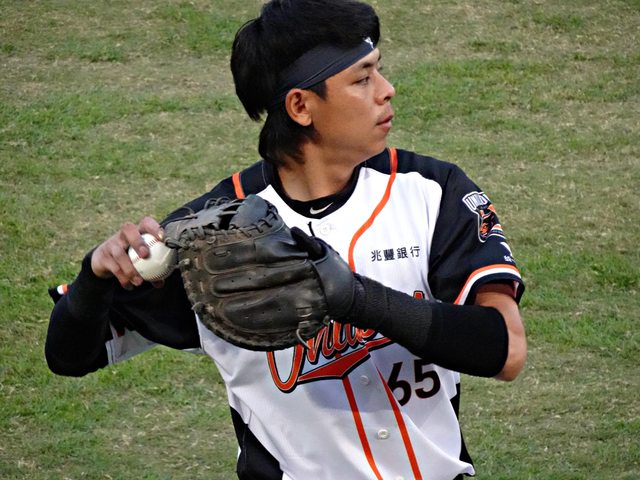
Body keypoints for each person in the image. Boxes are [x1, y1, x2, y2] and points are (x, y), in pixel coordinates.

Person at [45, 0, 527, 478]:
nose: (386, 90)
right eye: (362, 78)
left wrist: (360, 301)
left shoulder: (431, 193)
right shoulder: (213, 237)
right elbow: (70, 355)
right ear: (301, 106)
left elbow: (505, 350)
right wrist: (93, 278)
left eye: (378, 70)